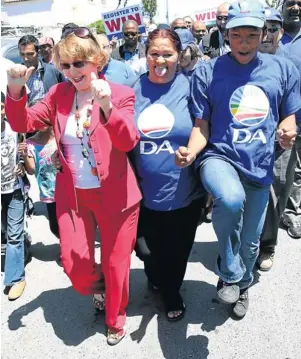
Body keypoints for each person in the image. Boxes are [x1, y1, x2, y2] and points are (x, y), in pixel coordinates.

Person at [5, 27, 141, 346]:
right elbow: (23, 123)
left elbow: (128, 139)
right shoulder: (58, 95)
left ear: (96, 60)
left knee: (115, 261)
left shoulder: (120, 93)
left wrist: (106, 106)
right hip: (74, 196)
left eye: (78, 63)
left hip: (117, 195)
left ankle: (115, 317)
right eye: (65, 65)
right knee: (75, 267)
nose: (72, 71)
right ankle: (102, 288)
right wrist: (15, 92)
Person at [176, 0, 301, 319]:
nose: (243, 42)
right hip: (220, 158)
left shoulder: (283, 68)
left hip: (260, 166)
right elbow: (201, 126)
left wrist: (288, 129)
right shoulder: (207, 71)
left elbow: (289, 115)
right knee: (230, 200)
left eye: (251, 34)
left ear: (264, 34)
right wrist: (191, 151)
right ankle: (230, 273)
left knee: (250, 243)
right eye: (236, 35)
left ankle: (240, 283)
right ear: (226, 34)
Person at [131, 29, 205, 322]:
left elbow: (202, 125)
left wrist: (192, 151)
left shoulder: (191, 87)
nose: (160, 60)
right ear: (146, 55)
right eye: (154, 53)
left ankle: (172, 290)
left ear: (179, 56)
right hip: (142, 193)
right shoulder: (131, 90)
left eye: (168, 54)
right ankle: (158, 277)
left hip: (184, 193)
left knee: (178, 249)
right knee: (146, 251)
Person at [258, 8, 301, 270]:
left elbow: (292, 104)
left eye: (273, 28)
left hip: (281, 139)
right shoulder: (239, 62)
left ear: (280, 32)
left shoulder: (288, 64)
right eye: (262, 28)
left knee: (278, 188)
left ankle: (267, 246)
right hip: (247, 141)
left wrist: (287, 127)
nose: (266, 34)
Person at [1, 91, 27, 300]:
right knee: (6, 231)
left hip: (14, 189)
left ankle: (16, 278)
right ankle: (23, 245)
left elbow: (24, 155)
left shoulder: (15, 129)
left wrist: (22, 163)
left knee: (13, 234)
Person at [20, 121, 59, 238]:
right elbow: (31, 170)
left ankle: (69, 251)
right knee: (55, 227)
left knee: (71, 223)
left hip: (68, 190)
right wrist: (25, 154)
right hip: (49, 193)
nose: (40, 122)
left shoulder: (60, 136)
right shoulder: (31, 143)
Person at [18, 35, 65, 104]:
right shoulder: (17, 75)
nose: (26, 58)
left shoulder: (53, 71)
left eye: (30, 54)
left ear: (38, 52)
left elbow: (65, 94)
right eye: (22, 54)